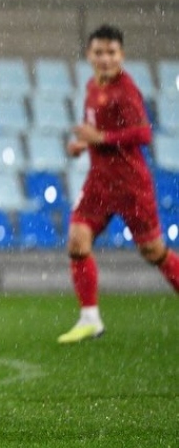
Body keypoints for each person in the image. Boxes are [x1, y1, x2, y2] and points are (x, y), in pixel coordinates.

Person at [59, 24, 179, 344]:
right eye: (99, 52)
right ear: (89, 55)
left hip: (130, 185)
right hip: (99, 182)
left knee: (154, 252)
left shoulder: (126, 91)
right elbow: (97, 130)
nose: (105, 58)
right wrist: (83, 144)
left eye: (111, 52)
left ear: (121, 55)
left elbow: (143, 133)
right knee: (77, 242)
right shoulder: (91, 86)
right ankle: (90, 319)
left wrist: (100, 138)